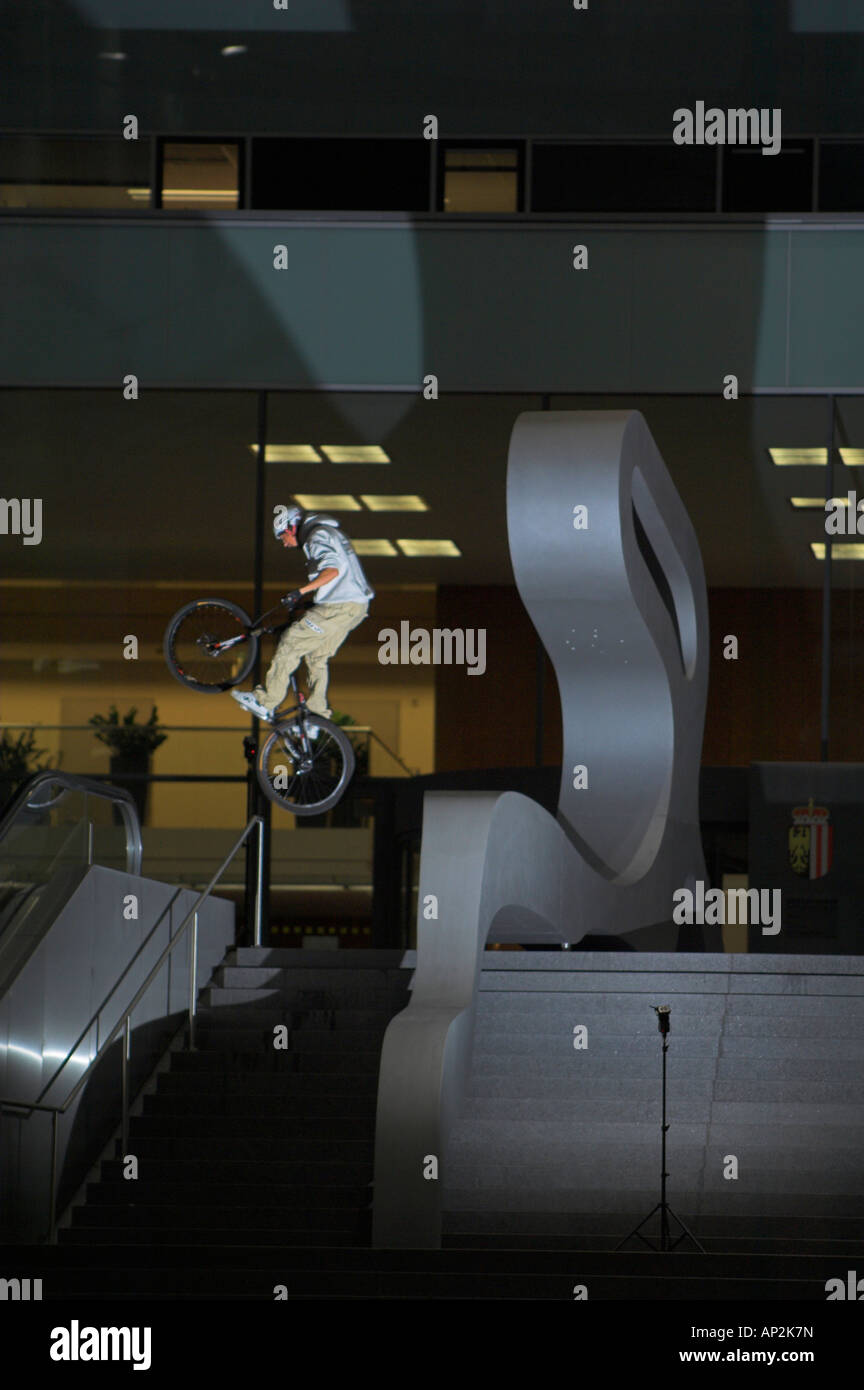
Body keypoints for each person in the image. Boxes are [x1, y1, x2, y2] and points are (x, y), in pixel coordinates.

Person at [231, 505, 374, 723]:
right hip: (354, 607)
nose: (284, 543)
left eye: (282, 537)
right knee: (317, 657)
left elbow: (332, 571)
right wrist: (310, 602)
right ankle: (318, 719)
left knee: (291, 642)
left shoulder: (317, 536)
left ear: (290, 528)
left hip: (341, 607)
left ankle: (266, 701)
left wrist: (300, 592)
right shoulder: (326, 533)